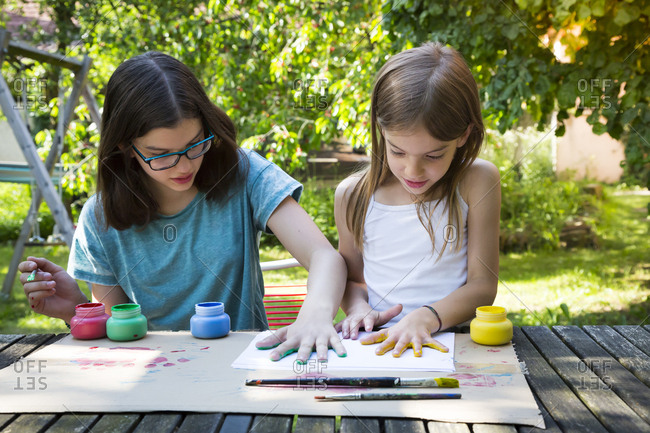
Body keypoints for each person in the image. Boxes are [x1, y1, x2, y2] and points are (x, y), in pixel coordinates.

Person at [19, 51, 346, 363]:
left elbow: (325, 256)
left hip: (243, 370)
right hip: (152, 380)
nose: (183, 166)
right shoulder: (99, 217)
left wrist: (314, 316)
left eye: (195, 144)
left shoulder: (245, 174)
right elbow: (116, 336)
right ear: (126, 147)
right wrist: (77, 311)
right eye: (161, 154)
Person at [334, 42, 500, 357]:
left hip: (454, 346)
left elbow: (483, 286)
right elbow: (353, 280)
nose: (413, 170)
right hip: (379, 347)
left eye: (433, 155)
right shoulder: (353, 195)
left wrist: (426, 317)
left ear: (463, 135)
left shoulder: (477, 181)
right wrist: (358, 309)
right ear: (381, 130)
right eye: (398, 151)